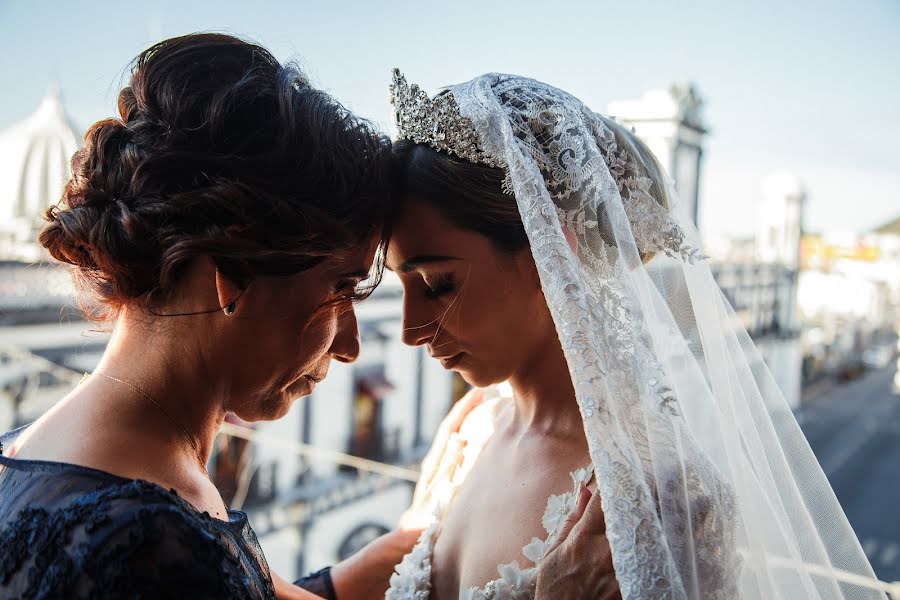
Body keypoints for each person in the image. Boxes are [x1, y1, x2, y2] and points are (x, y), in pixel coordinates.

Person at [0, 34, 612, 600]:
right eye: (340, 287)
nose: (351, 343)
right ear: (231, 278)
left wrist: (389, 562)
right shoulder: (145, 540)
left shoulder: (51, 458)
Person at [383, 70, 886, 599]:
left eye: (438, 284)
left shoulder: (659, 495)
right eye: (402, 288)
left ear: (554, 251)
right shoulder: (469, 436)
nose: (410, 332)